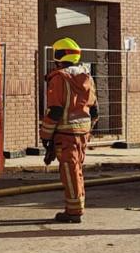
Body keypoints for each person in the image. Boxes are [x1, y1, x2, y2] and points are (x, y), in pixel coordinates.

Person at [40, 37, 99, 223]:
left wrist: (45, 136)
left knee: (69, 171)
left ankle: (74, 212)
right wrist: (87, 130)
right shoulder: (87, 77)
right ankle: (77, 207)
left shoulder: (59, 78)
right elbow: (95, 109)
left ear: (58, 55)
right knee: (77, 170)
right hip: (82, 133)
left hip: (66, 134)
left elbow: (55, 111)